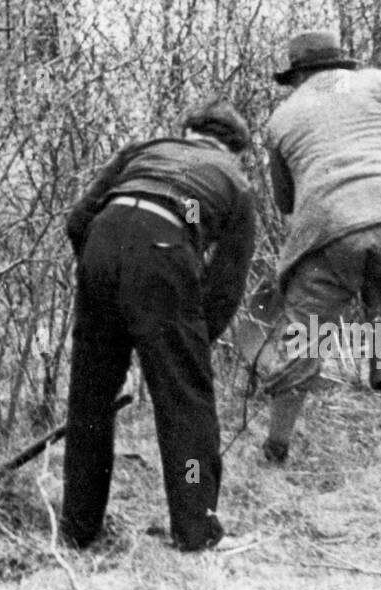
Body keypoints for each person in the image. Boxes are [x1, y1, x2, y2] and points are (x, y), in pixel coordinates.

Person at [256, 30, 381, 466]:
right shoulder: (373, 82)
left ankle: (276, 449)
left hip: (326, 234)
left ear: (296, 74)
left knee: (306, 337)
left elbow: (285, 200)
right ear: (339, 62)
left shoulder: (281, 117)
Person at [61, 99, 256, 551]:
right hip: (164, 249)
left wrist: (110, 283)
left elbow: (77, 221)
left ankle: (77, 530)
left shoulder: (142, 150)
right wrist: (188, 342)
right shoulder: (234, 180)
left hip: (103, 242)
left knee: (91, 400)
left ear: (186, 130)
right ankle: (196, 531)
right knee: (184, 406)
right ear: (237, 150)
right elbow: (228, 281)